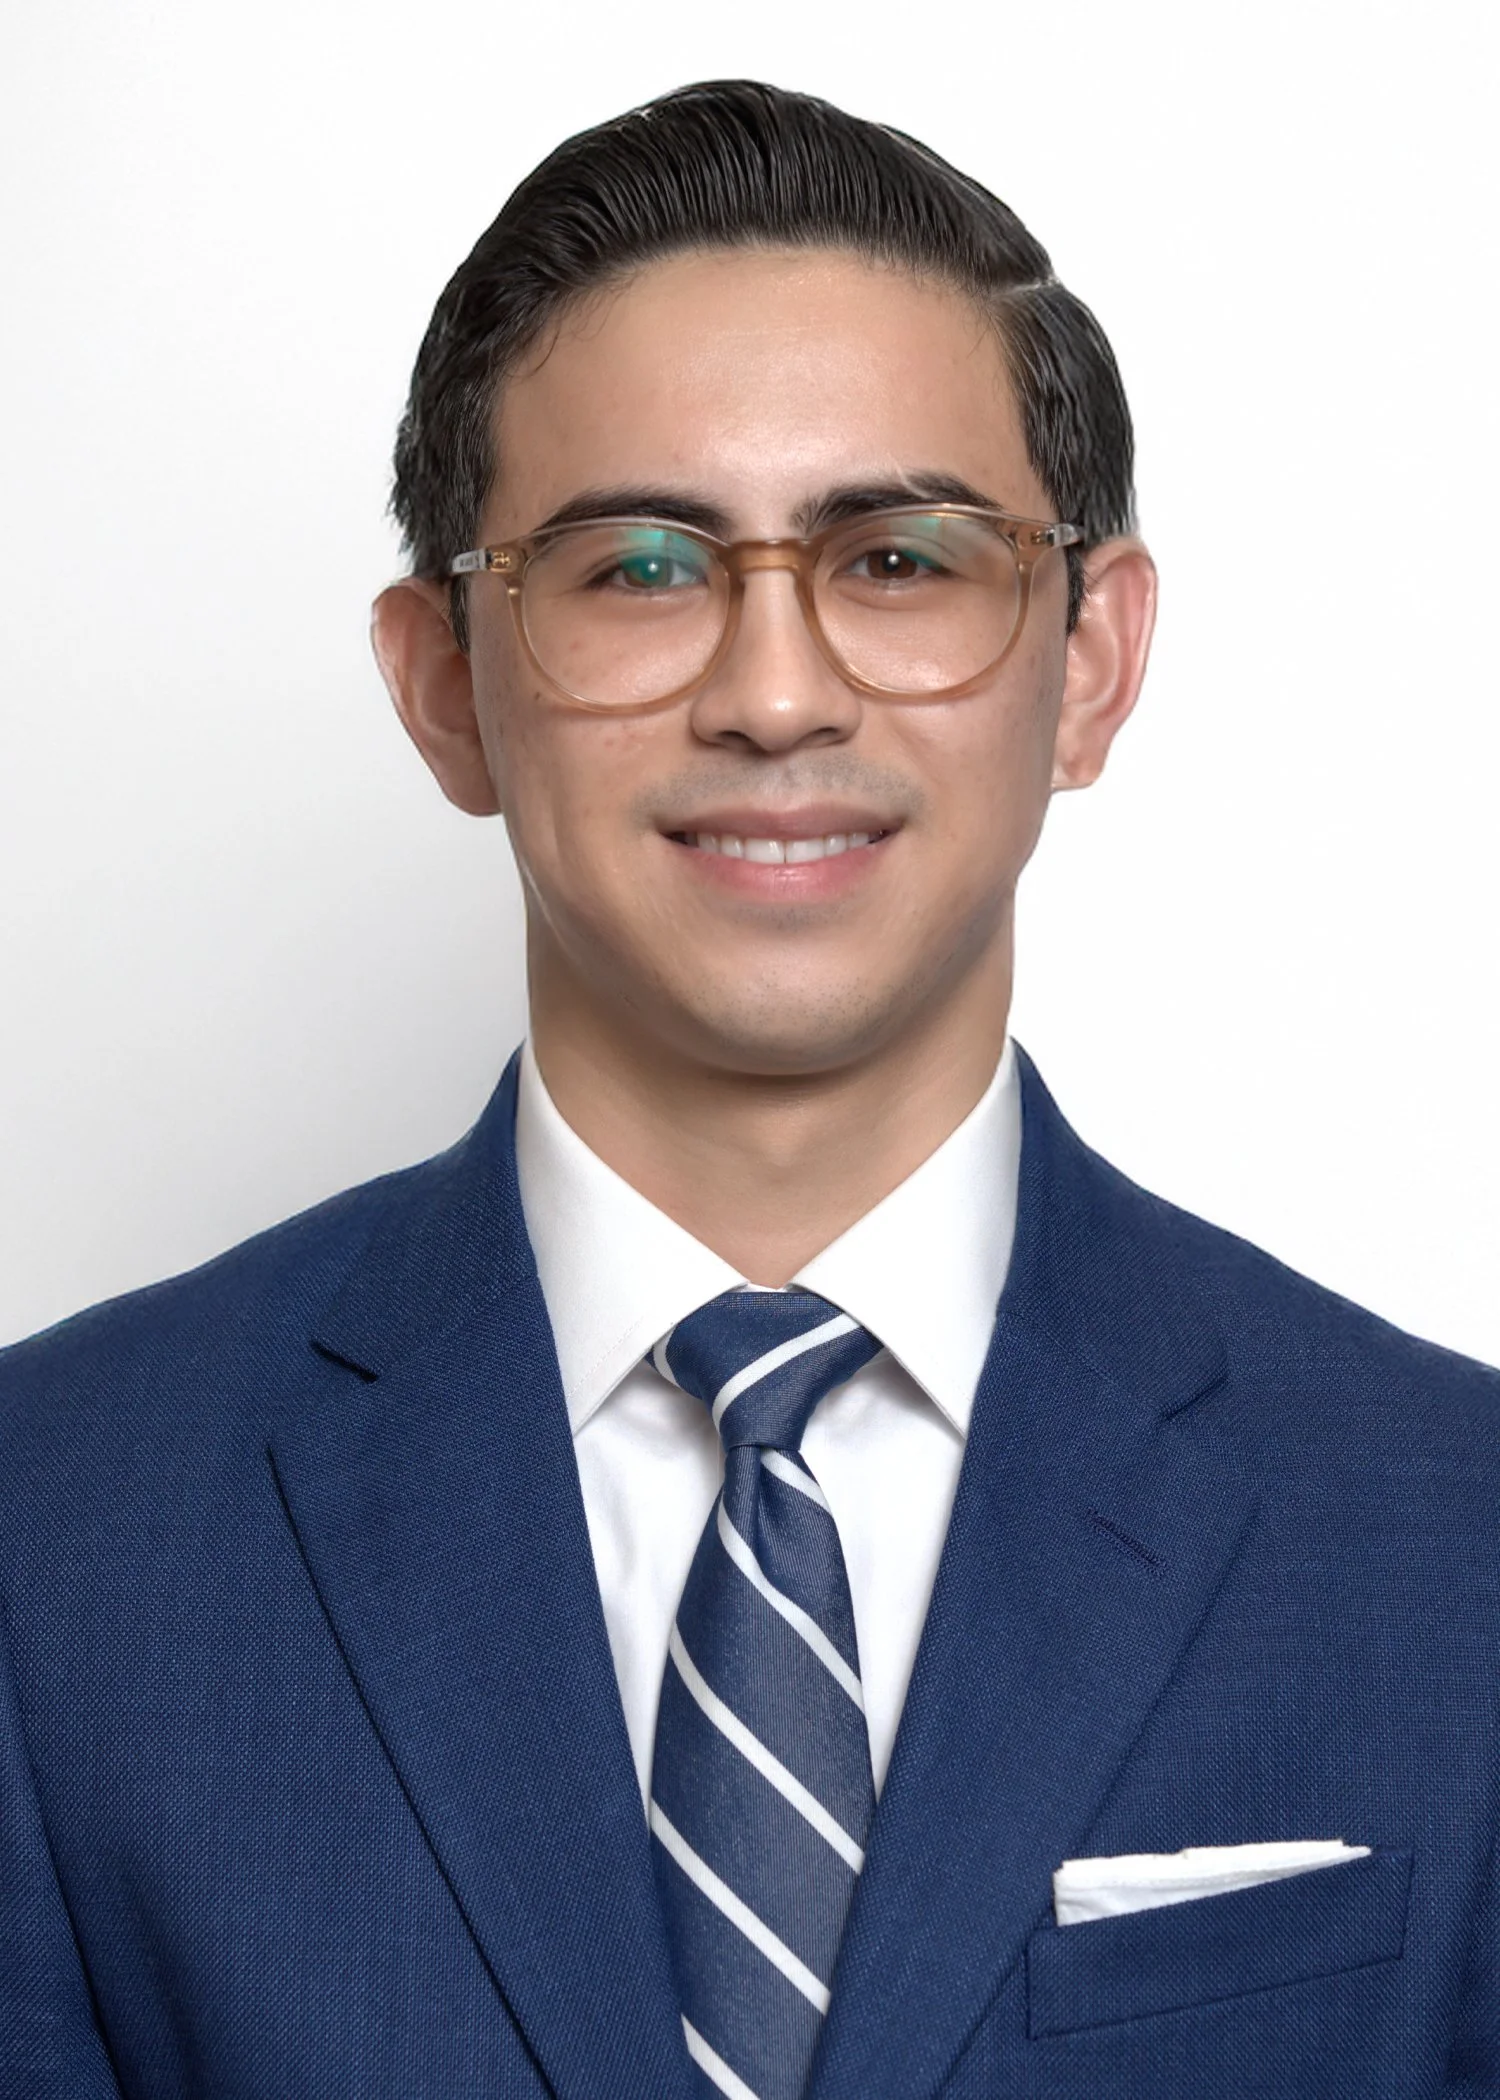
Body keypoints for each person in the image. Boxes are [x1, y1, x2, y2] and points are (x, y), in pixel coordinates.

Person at [1, 76, 1495, 2100]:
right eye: (636, 566)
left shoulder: (1453, 1540)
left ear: (1090, 661)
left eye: (901, 558)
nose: (776, 694)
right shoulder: (53, 1541)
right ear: (445, 685)